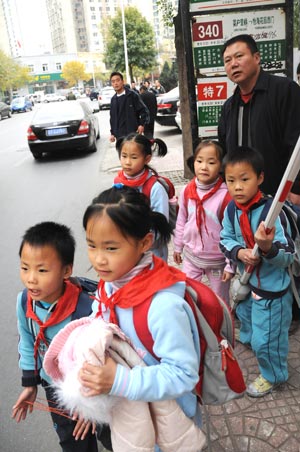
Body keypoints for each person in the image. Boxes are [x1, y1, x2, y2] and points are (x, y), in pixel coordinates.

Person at [78, 185, 205, 451]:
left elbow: (183, 375)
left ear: (145, 243)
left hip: (171, 421)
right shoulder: (109, 286)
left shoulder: (164, 306)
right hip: (133, 412)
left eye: (111, 248)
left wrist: (118, 381)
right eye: (91, 246)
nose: (98, 259)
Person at [11, 222, 100, 452]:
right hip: (55, 387)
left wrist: (90, 404)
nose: (31, 278)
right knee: (72, 441)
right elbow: (28, 341)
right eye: (25, 268)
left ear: (66, 271)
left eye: (42, 270)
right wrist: (30, 384)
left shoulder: (85, 309)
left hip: (90, 388)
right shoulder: (25, 302)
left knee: (103, 431)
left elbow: (98, 358)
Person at [220, 147, 294, 397]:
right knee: (247, 320)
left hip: (272, 293)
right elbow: (225, 238)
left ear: (260, 178)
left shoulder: (272, 213)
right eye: (231, 180)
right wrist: (239, 252)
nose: (237, 187)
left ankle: (274, 375)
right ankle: (253, 339)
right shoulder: (231, 210)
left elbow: (288, 256)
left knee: (268, 341)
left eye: (244, 179)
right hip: (246, 284)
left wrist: (267, 247)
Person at [218, 34, 300, 204]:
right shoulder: (229, 106)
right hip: (243, 202)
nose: (233, 64)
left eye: (239, 56)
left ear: (256, 58)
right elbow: (225, 151)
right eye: (227, 60)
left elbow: (296, 144)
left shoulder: (284, 91)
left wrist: (296, 188)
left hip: (280, 198)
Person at [173, 140, 234, 305]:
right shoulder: (187, 190)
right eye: (199, 161)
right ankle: (196, 324)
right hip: (192, 257)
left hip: (217, 261)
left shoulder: (226, 196)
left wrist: (230, 264)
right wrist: (178, 246)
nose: (204, 166)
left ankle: (221, 329)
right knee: (189, 294)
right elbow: (181, 220)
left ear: (221, 165)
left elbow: (232, 233)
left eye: (211, 162)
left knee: (219, 300)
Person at [114, 132, 170, 261]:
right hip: (127, 253)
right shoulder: (118, 183)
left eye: (134, 157)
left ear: (147, 159)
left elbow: (161, 227)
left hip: (153, 254)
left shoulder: (155, 188)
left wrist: (139, 244)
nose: (127, 162)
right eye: (124, 156)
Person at [109, 71, 149, 142]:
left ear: (122, 81)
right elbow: (112, 118)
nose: (115, 83)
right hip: (120, 137)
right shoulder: (113, 100)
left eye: (118, 80)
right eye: (113, 81)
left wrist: (141, 125)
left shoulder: (132, 95)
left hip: (133, 134)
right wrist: (112, 133)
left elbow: (144, 111)